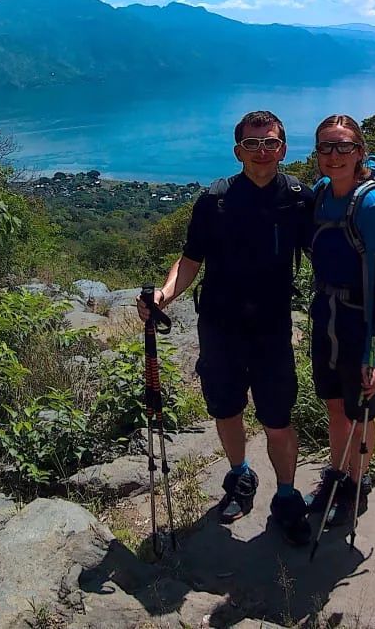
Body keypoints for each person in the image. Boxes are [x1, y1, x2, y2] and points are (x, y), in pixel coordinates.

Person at [137, 110, 314, 545]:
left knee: (277, 418)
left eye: (270, 142)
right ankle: (240, 476)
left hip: (271, 328)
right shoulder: (214, 201)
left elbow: (320, 257)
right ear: (238, 151)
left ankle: (287, 496)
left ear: (283, 149)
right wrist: (163, 295)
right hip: (219, 324)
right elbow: (191, 259)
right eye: (252, 143)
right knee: (226, 409)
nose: (261, 151)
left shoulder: (297, 199)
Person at [304, 114, 375, 527]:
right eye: (326, 147)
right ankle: (337, 474)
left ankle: (357, 482)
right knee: (335, 405)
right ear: (318, 154)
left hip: (361, 320)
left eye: (344, 147)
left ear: (360, 151)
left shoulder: (371, 205)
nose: (335, 155)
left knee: (361, 412)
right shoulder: (323, 193)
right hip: (326, 314)